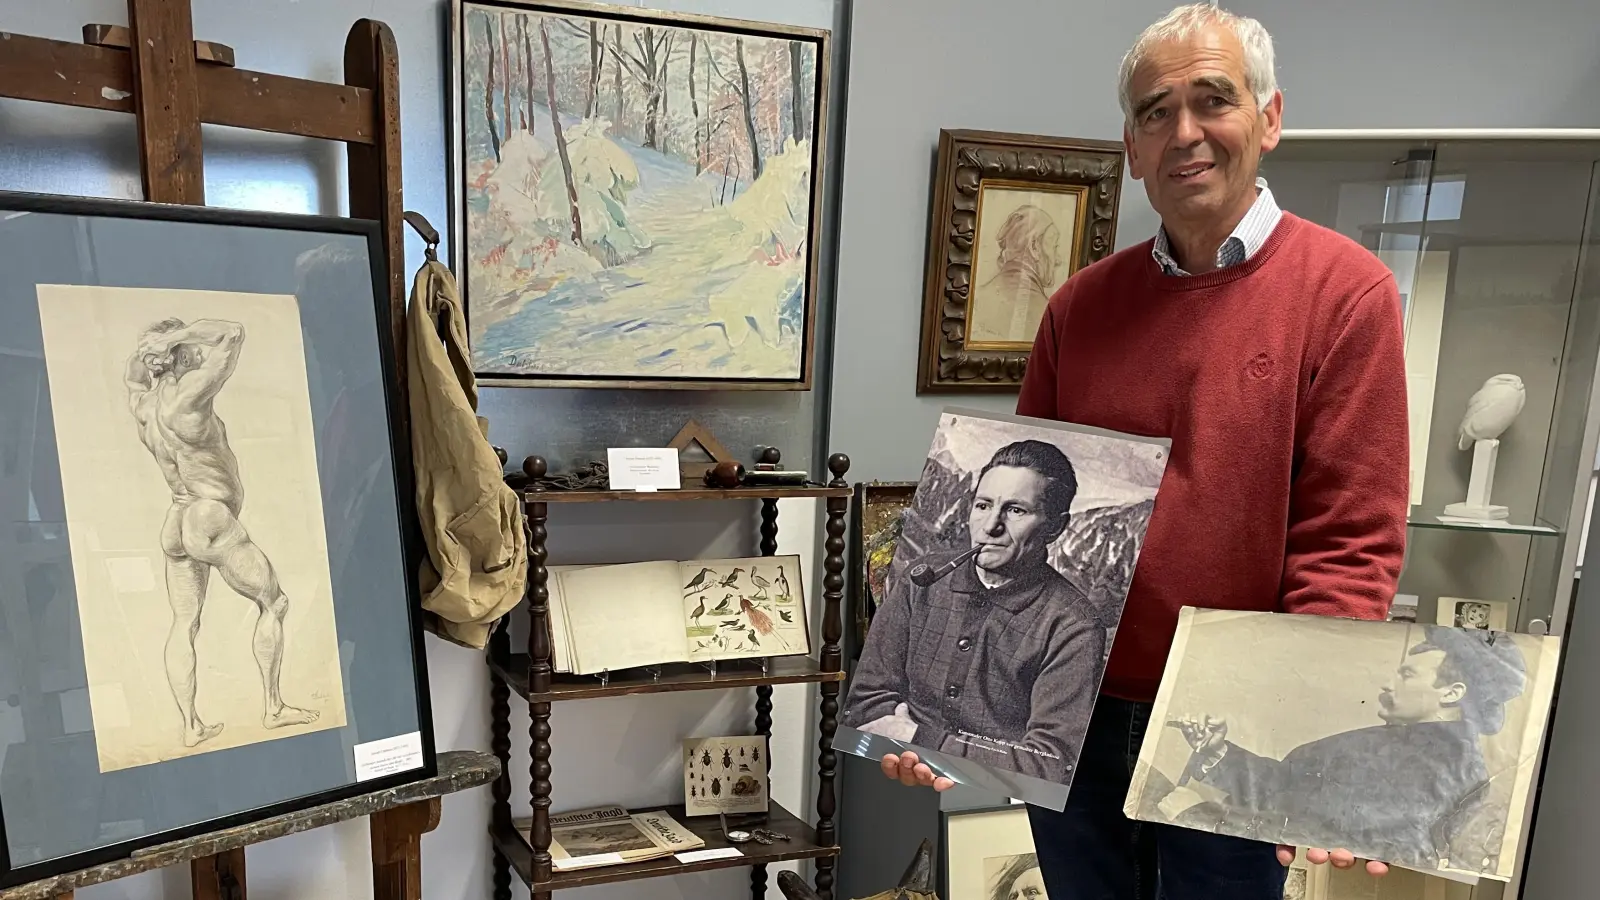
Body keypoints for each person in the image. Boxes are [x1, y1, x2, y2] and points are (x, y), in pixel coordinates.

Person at [876, 4, 1410, 899]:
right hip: (1068, 707)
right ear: (1131, 143)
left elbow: (1348, 545)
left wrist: (1311, 728)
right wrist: (940, 712)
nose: (1185, 132)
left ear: (1270, 118)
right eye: (1156, 111)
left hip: (1233, 722)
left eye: (1214, 99)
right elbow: (1011, 518)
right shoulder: (1079, 309)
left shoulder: (1346, 296)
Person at [841, 439, 1106, 784]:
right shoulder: (921, 580)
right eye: (983, 505)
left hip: (995, 801)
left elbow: (1052, 764)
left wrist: (925, 743)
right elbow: (863, 701)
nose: (990, 525)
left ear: (1055, 526)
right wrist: (912, 750)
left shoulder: (1074, 625)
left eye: (1016, 510)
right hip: (893, 777)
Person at [1171, 626, 1527, 874]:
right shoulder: (1409, 745)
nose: (1388, 685)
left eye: (1406, 675)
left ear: (1451, 693)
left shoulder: (1441, 764)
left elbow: (1318, 810)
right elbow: (1294, 784)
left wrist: (1198, 812)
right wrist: (1218, 752)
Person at [126, 317, 320, 749]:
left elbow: (132, 374)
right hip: (209, 515)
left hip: (176, 520)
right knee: (276, 602)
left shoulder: (144, 406)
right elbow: (232, 332)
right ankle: (272, 708)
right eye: (189, 350)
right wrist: (178, 338)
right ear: (181, 354)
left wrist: (154, 350)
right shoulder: (189, 398)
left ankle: (191, 726)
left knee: (183, 624)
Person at [970, 205, 1066, 345]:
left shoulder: (978, 297)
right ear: (1034, 247)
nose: (1058, 260)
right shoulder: (1047, 314)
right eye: (1054, 247)